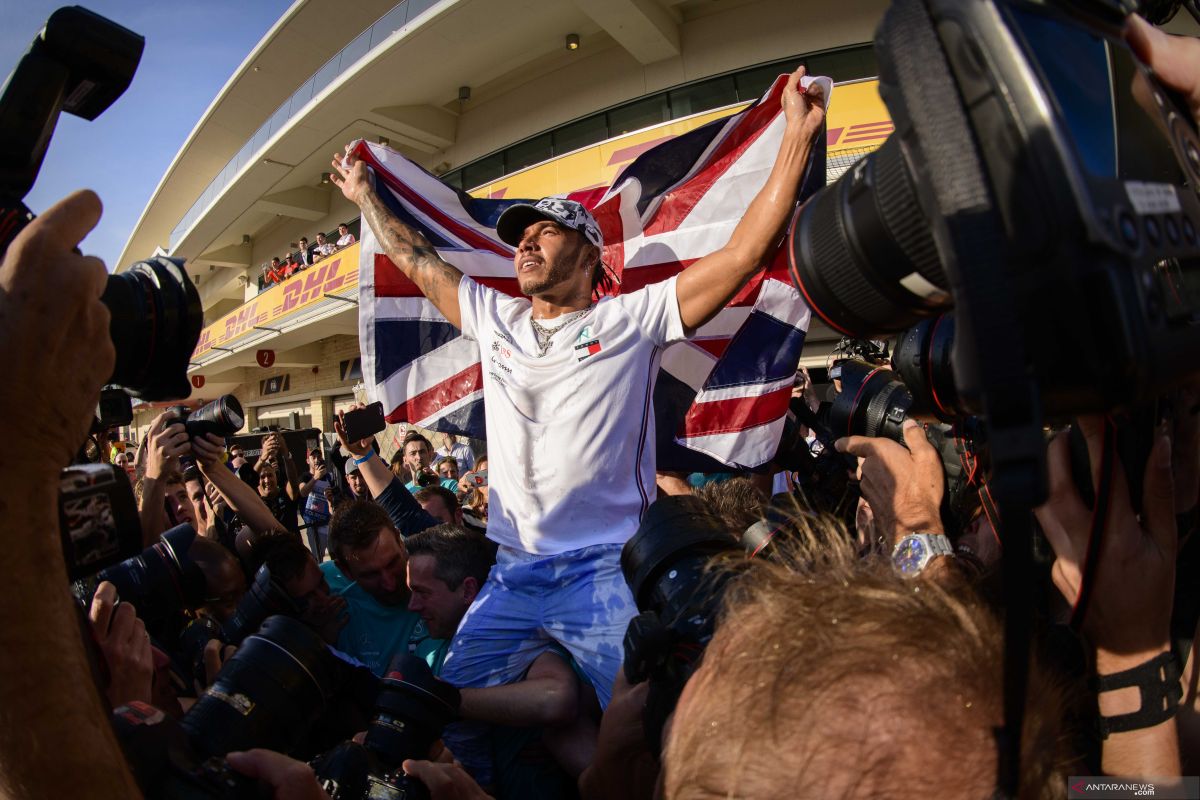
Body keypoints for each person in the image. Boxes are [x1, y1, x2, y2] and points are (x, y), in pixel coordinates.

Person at [331, 63, 825, 782]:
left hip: (604, 574)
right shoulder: (493, 318)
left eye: (546, 232)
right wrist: (366, 195)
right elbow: (414, 255)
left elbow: (744, 251)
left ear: (591, 255)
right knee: (433, 716)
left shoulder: (632, 319)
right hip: (510, 575)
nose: (525, 243)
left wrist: (795, 137)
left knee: (663, 732)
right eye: (519, 236)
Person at [320, 499, 442, 675]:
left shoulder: (442, 580)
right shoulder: (337, 612)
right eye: (371, 575)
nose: (389, 583)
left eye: (393, 563)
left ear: (400, 541)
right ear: (345, 571)